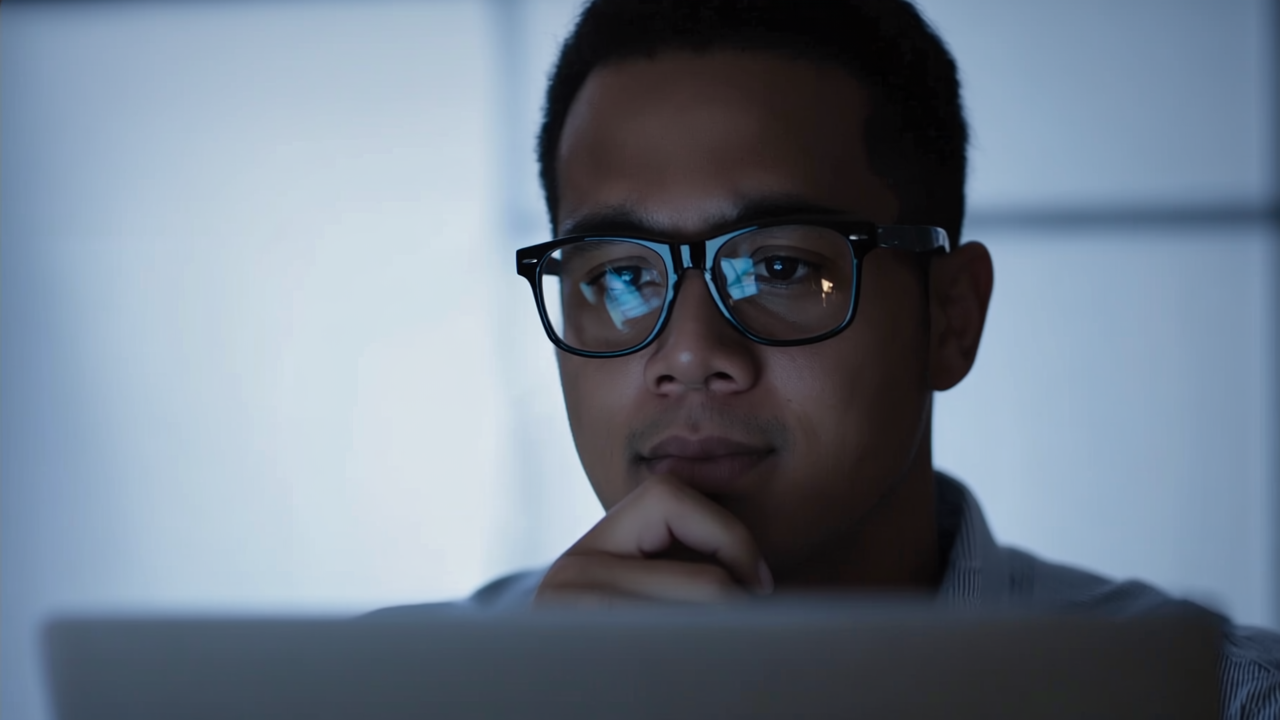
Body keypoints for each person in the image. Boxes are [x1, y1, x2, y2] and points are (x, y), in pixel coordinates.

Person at [372, 0, 1279, 714]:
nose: (690, 354)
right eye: (619, 278)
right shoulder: (380, 695)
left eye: (777, 265)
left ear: (950, 318)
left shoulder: (1216, 702)